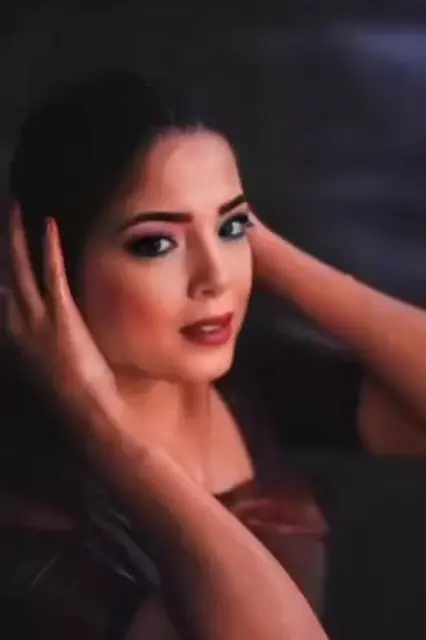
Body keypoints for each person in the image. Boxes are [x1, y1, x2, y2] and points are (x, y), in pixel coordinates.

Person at [1, 70, 426, 639]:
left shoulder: (245, 378)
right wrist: (106, 430)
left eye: (231, 227)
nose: (215, 278)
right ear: (45, 266)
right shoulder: (31, 529)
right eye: (156, 243)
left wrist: (274, 257)